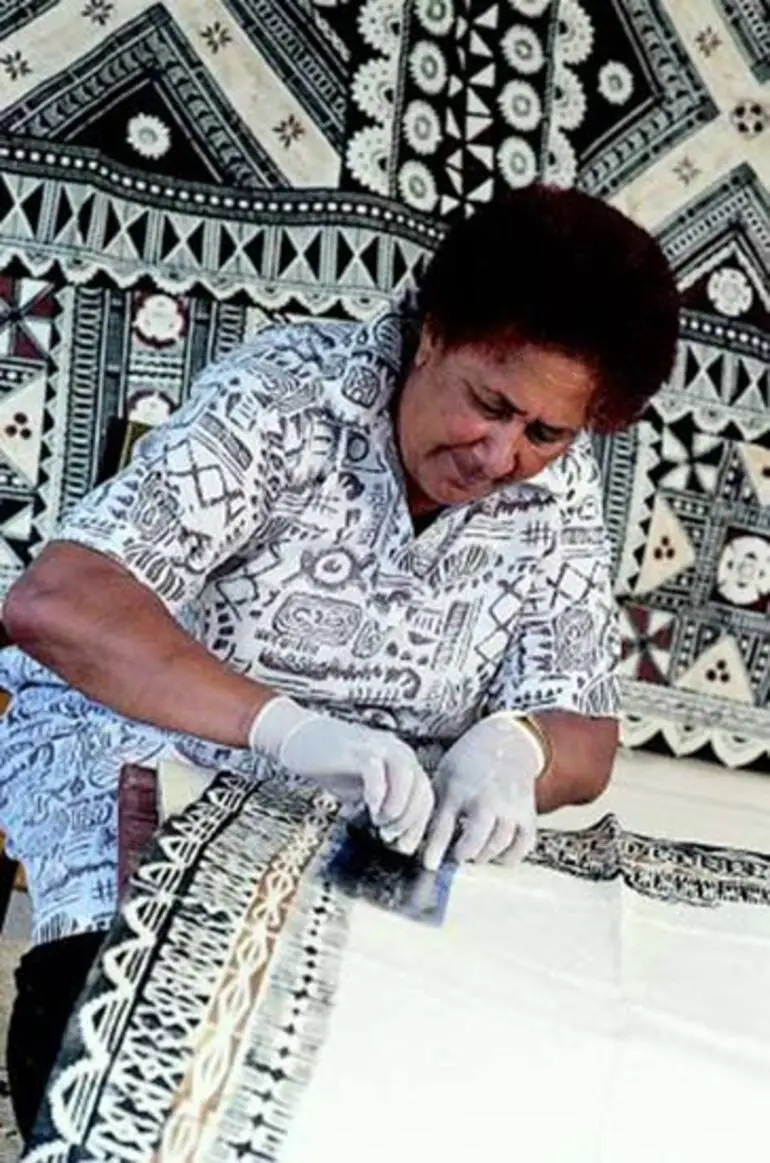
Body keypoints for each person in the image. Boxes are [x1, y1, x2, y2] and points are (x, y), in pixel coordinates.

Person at [0, 183, 679, 1139]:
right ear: (433, 330)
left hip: (359, 815)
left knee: (456, 1088)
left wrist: (518, 746)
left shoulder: (555, 499)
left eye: (545, 432)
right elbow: (54, 604)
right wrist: (287, 726)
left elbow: (586, 735)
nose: (498, 455)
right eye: (490, 404)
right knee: (136, 1075)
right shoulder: (283, 399)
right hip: (146, 771)